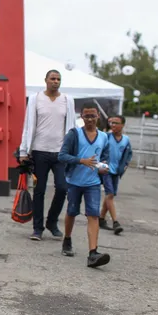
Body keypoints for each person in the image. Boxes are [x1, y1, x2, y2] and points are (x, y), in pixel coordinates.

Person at [19, 69, 77, 241]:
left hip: (61, 153)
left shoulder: (67, 100)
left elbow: (72, 127)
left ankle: (52, 222)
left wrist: (74, 151)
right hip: (39, 150)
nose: (56, 82)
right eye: (52, 78)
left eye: (58, 79)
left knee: (62, 188)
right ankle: (37, 228)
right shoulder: (36, 98)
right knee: (39, 190)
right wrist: (24, 150)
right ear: (46, 80)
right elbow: (28, 125)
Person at [58, 102, 111, 268]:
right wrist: (81, 160)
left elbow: (105, 158)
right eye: (87, 116)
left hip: (93, 183)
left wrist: (104, 167)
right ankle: (67, 239)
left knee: (93, 215)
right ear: (82, 117)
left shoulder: (103, 137)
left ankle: (93, 253)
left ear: (98, 116)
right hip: (74, 181)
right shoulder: (74, 134)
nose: (90, 119)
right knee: (72, 212)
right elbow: (62, 156)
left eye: (93, 116)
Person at [100, 115, 133, 235]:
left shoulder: (126, 140)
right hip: (106, 170)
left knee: (110, 195)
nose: (113, 125)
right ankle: (115, 222)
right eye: (112, 123)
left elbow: (128, 155)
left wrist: (123, 168)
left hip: (116, 172)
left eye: (116, 123)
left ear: (122, 125)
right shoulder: (106, 137)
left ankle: (101, 219)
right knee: (110, 194)